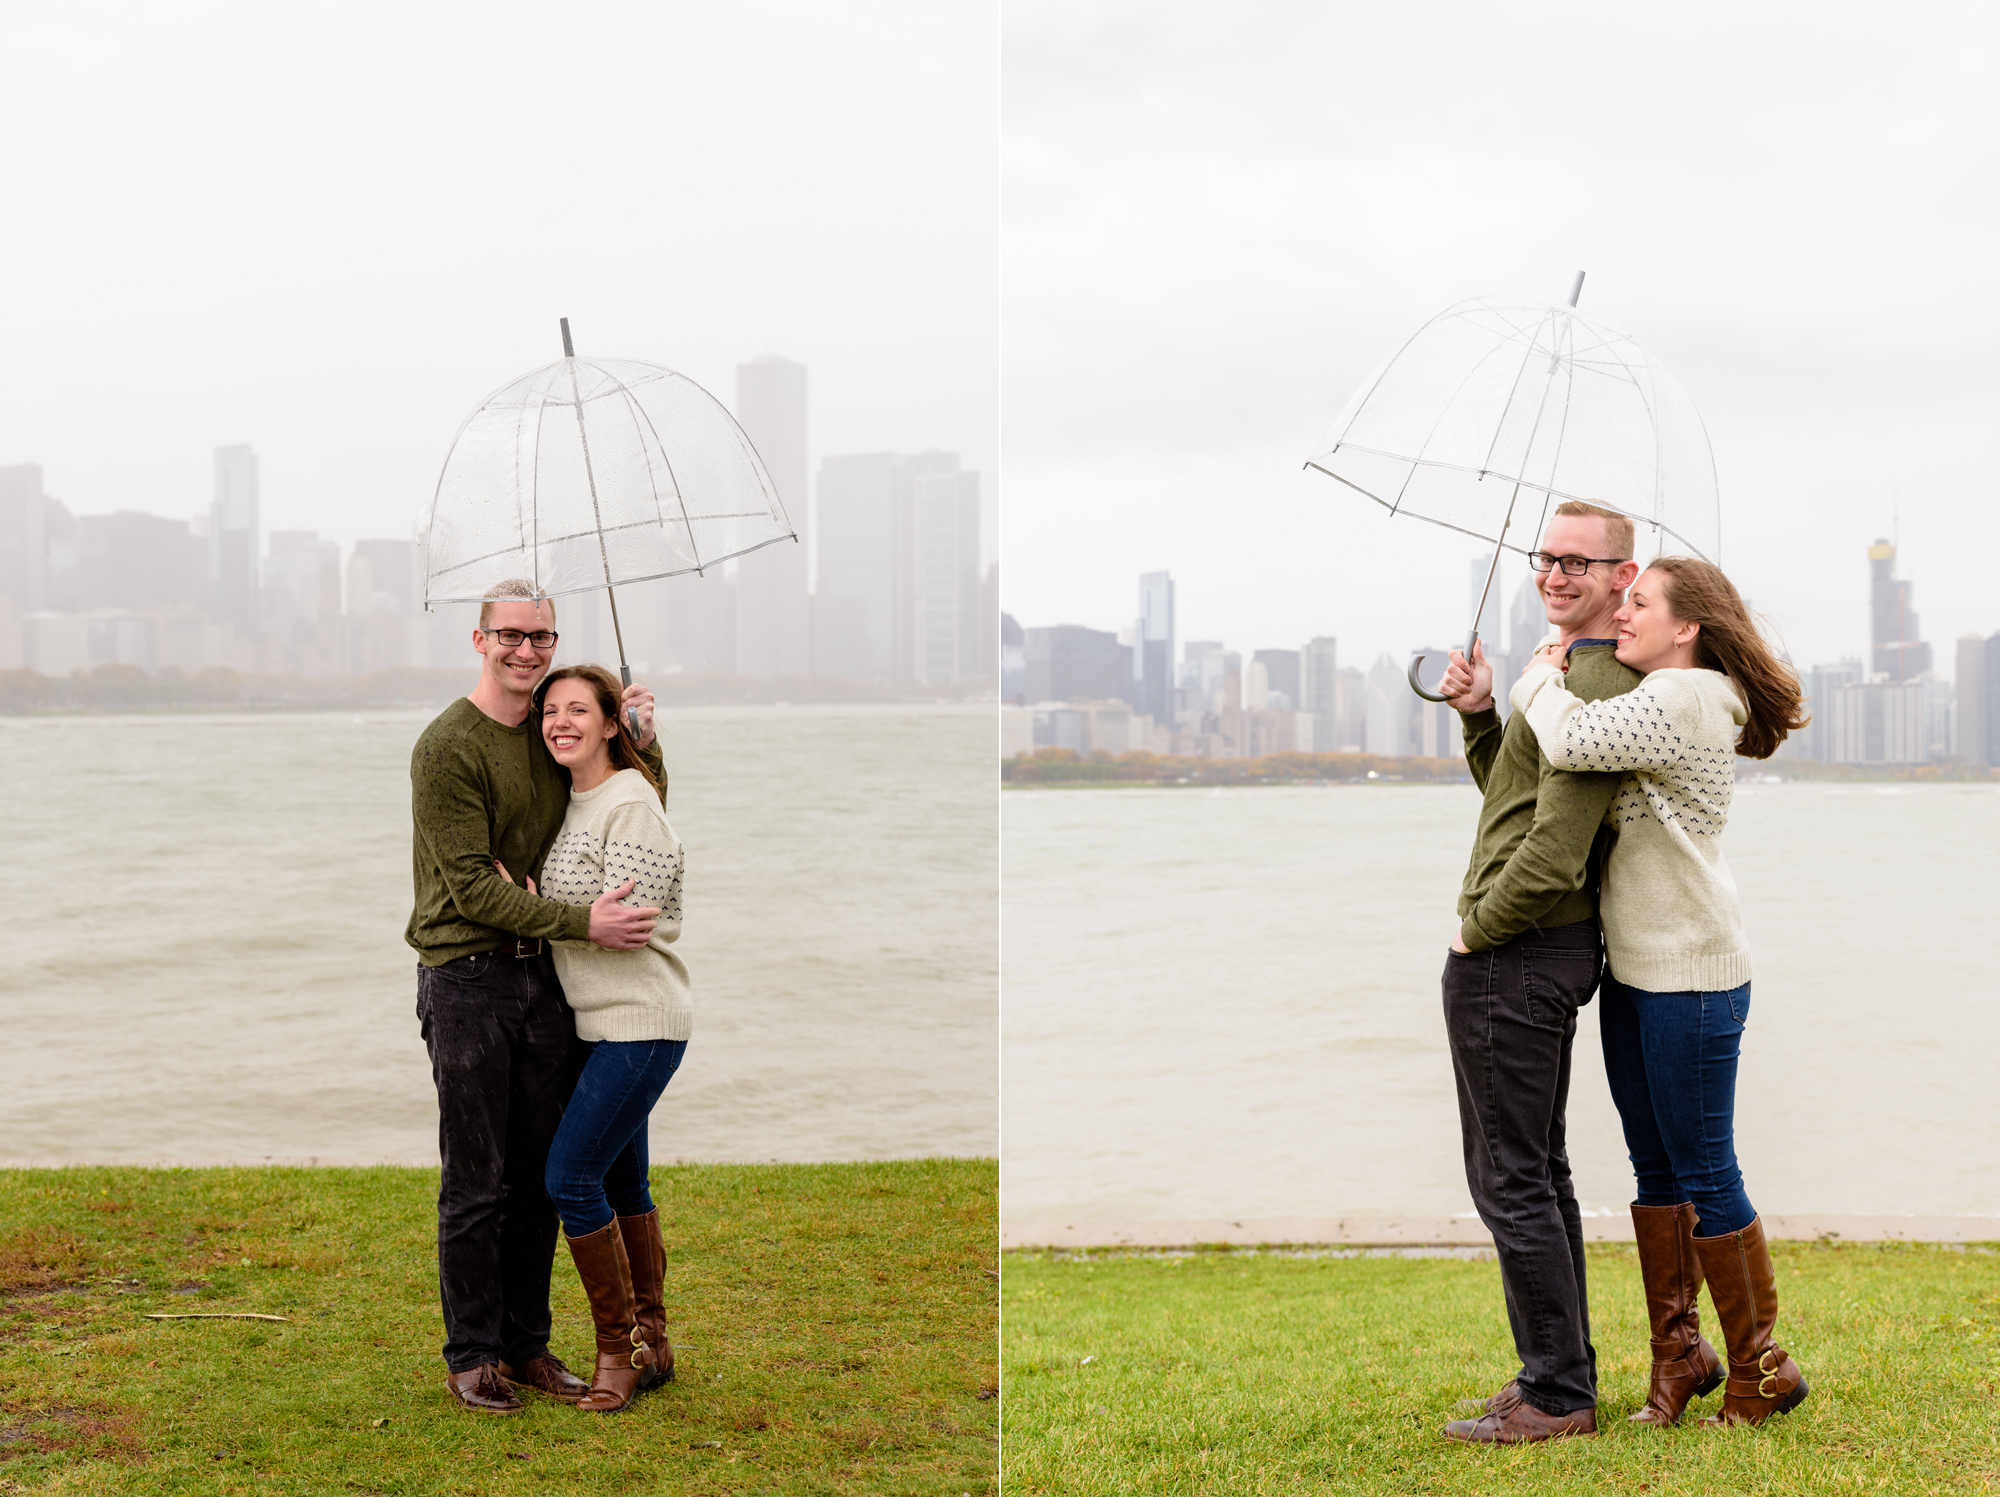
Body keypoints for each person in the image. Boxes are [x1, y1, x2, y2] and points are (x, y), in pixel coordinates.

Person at [1510, 555, 1810, 1428]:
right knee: (1656, 1169)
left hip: (1692, 974)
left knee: (1706, 1168)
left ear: (1686, 628)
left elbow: (1570, 738)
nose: (1623, 614)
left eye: (1639, 603)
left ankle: (1762, 1366)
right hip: (1637, 969)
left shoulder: (1687, 696)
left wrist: (1535, 676)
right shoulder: (1657, 697)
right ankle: (1682, 1355)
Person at [408, 580, 664, 1416]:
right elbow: (474, 888)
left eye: (543, 636)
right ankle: (472, 1354)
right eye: (511, 635)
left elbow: (620, 809)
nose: (528, 649)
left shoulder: (555, 732)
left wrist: (643, 739)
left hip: (544, 978)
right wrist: (581, 921)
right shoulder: (447, 746)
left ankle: (525, 1344)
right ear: (478, 640)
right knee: (477, 1180)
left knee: (539, 1180)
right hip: (469, 977)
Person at [1430, 500, 1641, 1444]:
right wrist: (1483, 714)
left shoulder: (1594, 688)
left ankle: (1557, 1395)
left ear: (1623, 577)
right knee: (1535, 1170)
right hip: (1535, 952)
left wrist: (1478, 932)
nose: (1555, 574)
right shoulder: (1564, 679)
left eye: (1579, 562)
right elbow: (1518, 802)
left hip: (1518, 953)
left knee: (1511, 1176)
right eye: (1545, 556)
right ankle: (1557, 1377)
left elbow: (1553, 856)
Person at [495, 663, 692, 1413]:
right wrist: (553, 905)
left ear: (613, 722)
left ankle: (618, 1352)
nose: (559, 721)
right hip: (601, 1022)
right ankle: (654, 1341)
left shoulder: (629, 800)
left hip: (640, 1022)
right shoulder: (577, 800)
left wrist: (537, 906)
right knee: (620, 1184)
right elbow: (592, 910)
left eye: (579, 709)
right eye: (551, 709)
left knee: (569, 1177)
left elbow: (629, 919)